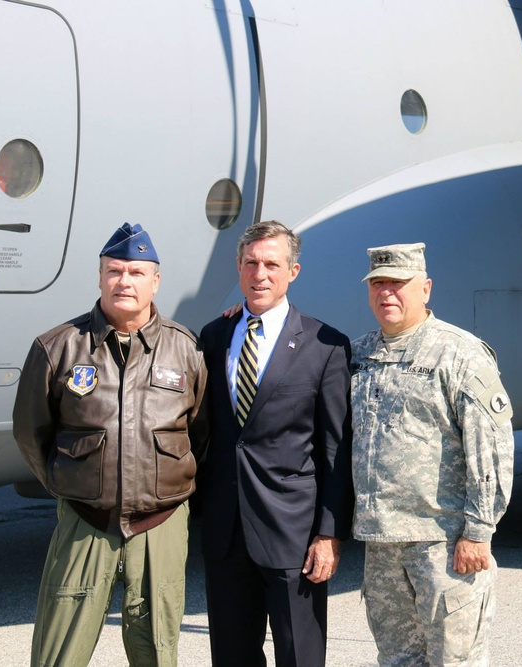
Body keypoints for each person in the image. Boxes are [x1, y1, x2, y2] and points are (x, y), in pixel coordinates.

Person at [12, 222, 209, 667]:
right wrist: (74, 483)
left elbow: (201, 434)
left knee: (158, 649)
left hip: (160, 523)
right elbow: (31, 432)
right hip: (86, 521)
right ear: (100, 277)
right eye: (115, 271)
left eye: (136, 272)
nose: (125, 281)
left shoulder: (187, 350)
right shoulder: (58, 348)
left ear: (155, 281)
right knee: (59, 652)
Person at [350, 242, 515, 666]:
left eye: (398, 283)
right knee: (399, 660)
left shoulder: (458, 353)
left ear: (425, 288)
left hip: (443, 544)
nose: (387, 292)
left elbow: (491, 447)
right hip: (382, 544)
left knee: (454, 661)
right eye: (378, 284)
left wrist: (479, 531)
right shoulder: (359, 355)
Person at [198, 220, 353, 666]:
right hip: (227, 534)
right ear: (239, 267)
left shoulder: (325, 346)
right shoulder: (214, 337)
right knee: (231, 656)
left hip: (294, 535)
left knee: (299, 656)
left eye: (271, 264)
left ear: (294, 271)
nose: (260, 274)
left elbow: (335, 449)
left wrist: (329, 532)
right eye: (251, 263)